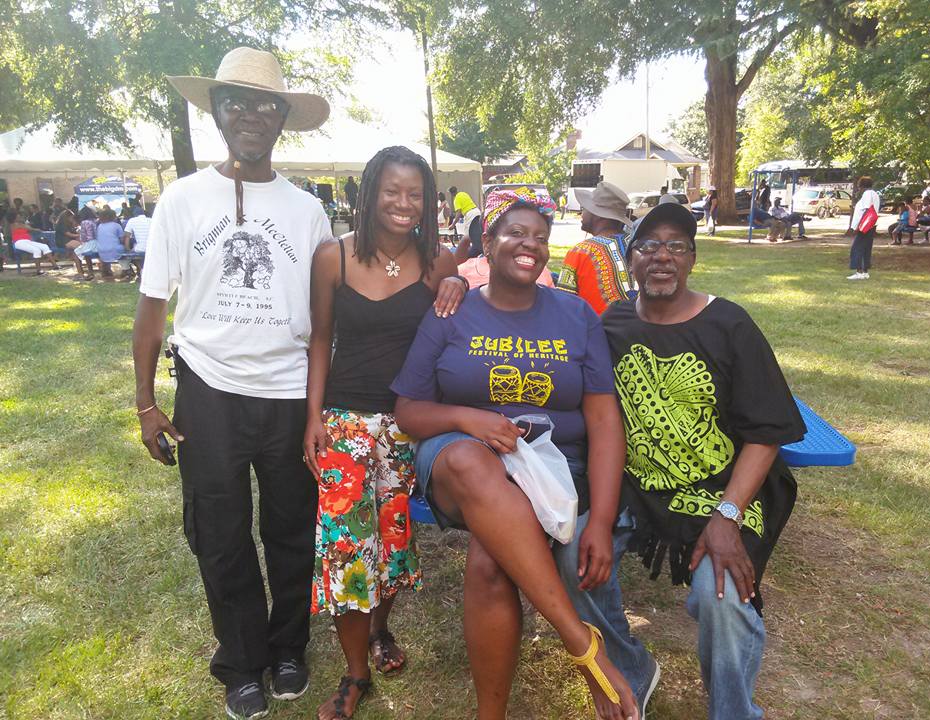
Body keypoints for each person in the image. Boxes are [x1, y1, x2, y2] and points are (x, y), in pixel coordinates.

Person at [132, 46, 334, 720]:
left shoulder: (308, 213)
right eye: (237, 102)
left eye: (264, 104)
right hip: (208, 390)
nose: (251, 113)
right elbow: (153, 307)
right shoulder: (182, 201)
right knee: (219, 530)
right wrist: (145, 405)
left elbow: (327, 320)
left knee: (290, 527)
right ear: (217, 112)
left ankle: (288, 649)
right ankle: (241, 662)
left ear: (281, 118)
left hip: (286, 390)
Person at [391, 186, 640, 720]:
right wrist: (465, 417)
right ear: (488, 240)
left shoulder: (576, 316)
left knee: (489, 564)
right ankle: (582, 646)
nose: (531, 245)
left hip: (553, 465)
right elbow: (408, 410)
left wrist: (598, 521)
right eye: (516, 232)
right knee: (467, 459)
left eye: (541, 237)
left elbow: (603, 420)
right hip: (459, 461)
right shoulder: (450, 310)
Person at [579, 202, 805, 720]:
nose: (663, 257)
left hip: (726, 490)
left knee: (721, 600)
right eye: (649, 246)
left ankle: (733, 711)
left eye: (677, 246)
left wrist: (726, 517)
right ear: (629, 259)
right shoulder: (611, 323)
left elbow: (766, 433)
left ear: (693, 260)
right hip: (639, 486)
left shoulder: (729, 324)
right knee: (574, 559)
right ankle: (632, 668)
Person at [302, 146, 466, 720]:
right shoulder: (333, 259)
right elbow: (320, 340)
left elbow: (461, 319)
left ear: (428, 200)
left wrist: (459, 288)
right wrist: (312, 419)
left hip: (407, 425)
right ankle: (354, 674)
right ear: (369, 194)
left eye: (415, 193)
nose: (403, 203)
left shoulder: (438, 262)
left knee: (394, 542)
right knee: (348, 546)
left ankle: (381, 628)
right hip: (344, 424)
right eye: (392, 191)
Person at [557, 181, 636, 316]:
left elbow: (562, 307)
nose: (581, 213)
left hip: (595, 334)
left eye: (585, 209)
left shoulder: (580, 252)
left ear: (598, 214)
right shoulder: (637, 245)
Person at [8, 209, 59, 274]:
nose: (20, 217)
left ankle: (55, 266)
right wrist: (34, 228)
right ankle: (39, 270)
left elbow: (28, 228)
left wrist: (29, 226)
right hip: (19, 242)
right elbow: (30, 228)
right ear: (14, 218)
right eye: (18, 217)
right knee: (36, 250)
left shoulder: (20, 223)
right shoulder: (14, 224)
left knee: (44, 246)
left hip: (27, 241)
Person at [848, 176, 880, 280]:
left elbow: (866, 210)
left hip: (864, 225)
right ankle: (865, 271)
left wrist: (858, 226)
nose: (858, 188)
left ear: (862, 186)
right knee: (866, 248)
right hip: (871, 225)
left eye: (859, 186)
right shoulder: (875, 194)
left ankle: (859, 272)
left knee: (857, 248)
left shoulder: (867, 194)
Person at [449, 185, 483, 262]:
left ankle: (469, 255)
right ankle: (477, 249)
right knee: (477, 233)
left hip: (470, 214)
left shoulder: (456, 199)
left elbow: (458, 213)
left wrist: (453, 224)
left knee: (468, 236)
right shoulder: (463, 193)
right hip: (476, 211)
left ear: (451, 194)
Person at [94, 207, 126, 279]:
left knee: (107, 250)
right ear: (113, 217)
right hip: (114, 249)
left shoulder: (100, 226)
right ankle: (126, 269)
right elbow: (122, 239)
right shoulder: (116, 225)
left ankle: (106, 270)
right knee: (126, 250)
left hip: (101, 250)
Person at [122, 204, 153, 277]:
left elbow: (127, 236)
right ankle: (143, 270)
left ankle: (141, 269)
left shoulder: (132, 220)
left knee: (133, 255)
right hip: (153, 247)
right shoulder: (151, 220)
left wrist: (127, 249)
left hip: (140, 248)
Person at [73, 206, 99, 279]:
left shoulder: (85, 222)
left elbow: (86, 237)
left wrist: (80, 233)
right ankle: (90, 272)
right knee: (87, 255)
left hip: (90, 243)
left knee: (75, 253)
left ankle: (80, 273)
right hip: (97, 243)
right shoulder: (95, 220)